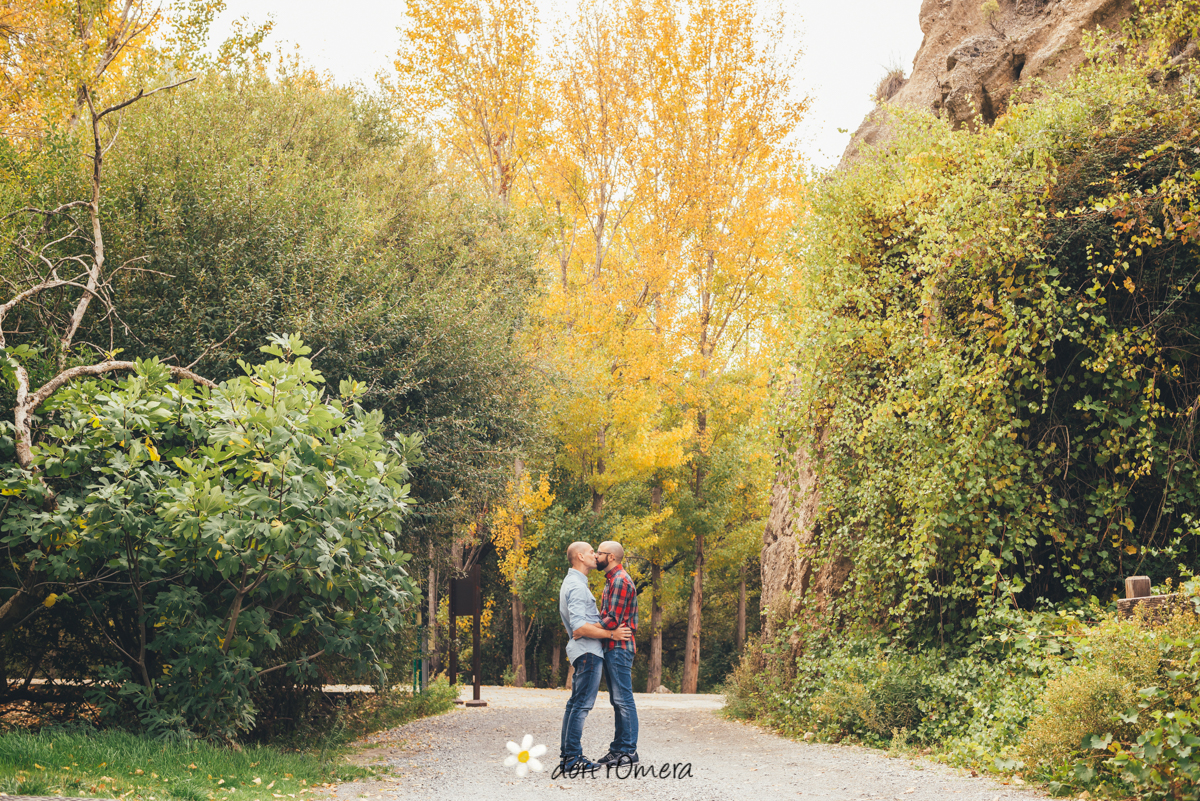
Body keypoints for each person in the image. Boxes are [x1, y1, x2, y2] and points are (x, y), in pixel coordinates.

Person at [558, 541, 631, 773]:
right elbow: (579, 627)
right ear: (580, 556)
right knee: (581, 705)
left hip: (584, 651)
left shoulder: (575, 583)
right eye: (592, 552)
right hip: (588, 651)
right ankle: (572, 758)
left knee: (575, 704)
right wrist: (611, 634)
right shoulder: (577, 587)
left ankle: (568, 756)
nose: (595, 556)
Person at [594, 540, 639, 766]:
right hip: (612, 647)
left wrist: (586, 628)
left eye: (599, 553)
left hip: (619, 648)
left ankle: (628, 751)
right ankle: (617, 749)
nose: (595, 556)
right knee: (617, 700)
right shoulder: (612, 580)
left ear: (611, 557)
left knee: (623, 699)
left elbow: (612, 619)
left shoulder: (620, 580)